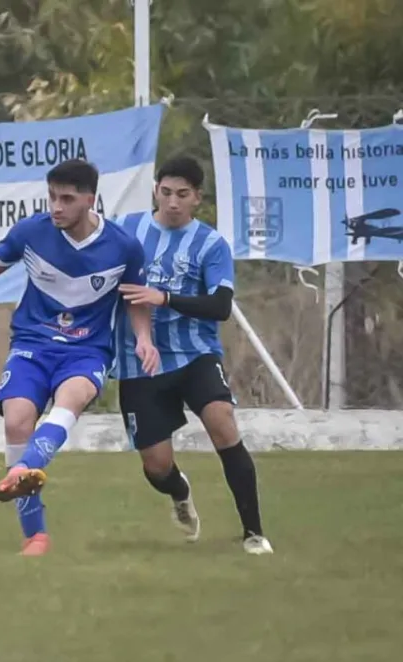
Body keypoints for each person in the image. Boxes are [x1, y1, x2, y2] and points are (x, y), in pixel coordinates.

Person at [0, 159, 159, 557]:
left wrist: (144, 339)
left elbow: (135, 298)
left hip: (87, 350)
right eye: (51, 197)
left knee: (70, 401)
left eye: (67, 198)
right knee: (16, 422)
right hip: (33, 344)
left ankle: (21, 470)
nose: (56, 207)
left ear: (91, 200)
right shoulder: (31, 233)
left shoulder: (123, 247)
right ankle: (36, 535)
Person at [113, 154, 273, 555]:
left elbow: (220, 306)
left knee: (222, 420)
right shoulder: (126, 230)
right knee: (156, 466)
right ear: (155, 191)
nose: (172, 202)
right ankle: (179, 490)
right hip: (139, 362)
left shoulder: (211, 244)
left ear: (197, 198)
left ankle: (254, 533)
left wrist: (164, 297)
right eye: (165, 192)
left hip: (195, 354)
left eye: (182, 195)